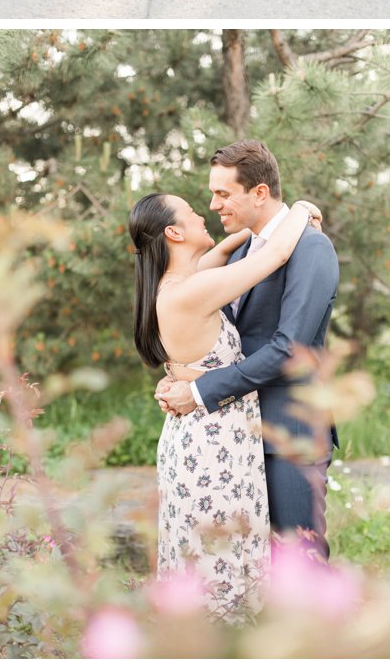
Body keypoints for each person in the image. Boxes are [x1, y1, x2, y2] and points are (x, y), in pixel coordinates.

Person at [129, 188, 318, 618]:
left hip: (209, 441)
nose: (205, 214)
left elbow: (224, 251)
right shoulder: (189, 292)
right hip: (213, 453)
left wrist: (246, 232)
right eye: (193, 212)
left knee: (211, 566)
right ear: (174, 231)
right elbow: (272, 258)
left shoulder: (179, 283)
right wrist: (300, 209)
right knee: (221, 570)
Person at [155, 140, 341, 557]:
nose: (214, 203)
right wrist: (180, 376)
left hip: (287, 433)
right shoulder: (239, 249)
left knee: (300, 562)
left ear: (259, 192)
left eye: (223, 193)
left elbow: (288, 349)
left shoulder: (311, 248)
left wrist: (199, 391)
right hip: (233, 441)